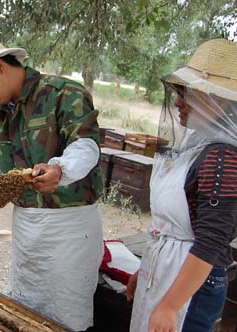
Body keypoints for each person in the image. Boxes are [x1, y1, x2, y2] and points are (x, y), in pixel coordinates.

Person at [0, 31, 104, 331]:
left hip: (69, 234)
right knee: (25, 312)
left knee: (67, 317)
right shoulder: (2, 117)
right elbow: (6, 173)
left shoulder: (63, 93)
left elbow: (86, 146)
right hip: (26, 233)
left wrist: (61, 170)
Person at [127, 38, 237, 332]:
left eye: (187, 93)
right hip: (169, 270)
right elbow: (172, 226)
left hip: (192, 285)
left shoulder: (223, 157)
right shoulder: (197, 144)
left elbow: (211, 241)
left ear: (219, 100)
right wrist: (147, 266)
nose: (178, 100)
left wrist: (171, 305)